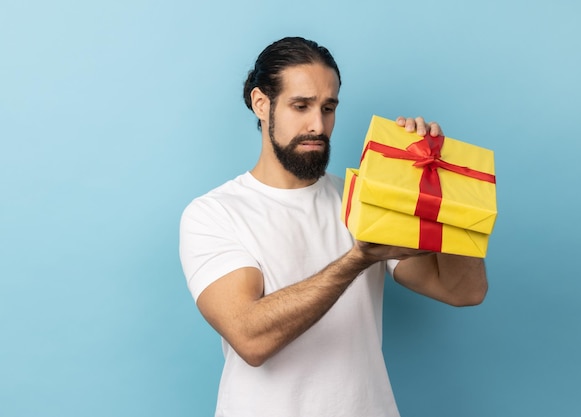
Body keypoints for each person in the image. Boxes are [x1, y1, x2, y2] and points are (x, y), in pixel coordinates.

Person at [179, 36, 488, 417]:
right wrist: (357, 259)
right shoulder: (214, 213)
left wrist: (440, 186)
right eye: (301, 106)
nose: (318, 125)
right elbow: (250, 337)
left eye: (328, 108)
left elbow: (464, 290)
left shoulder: (364, 198)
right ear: (262, 104)